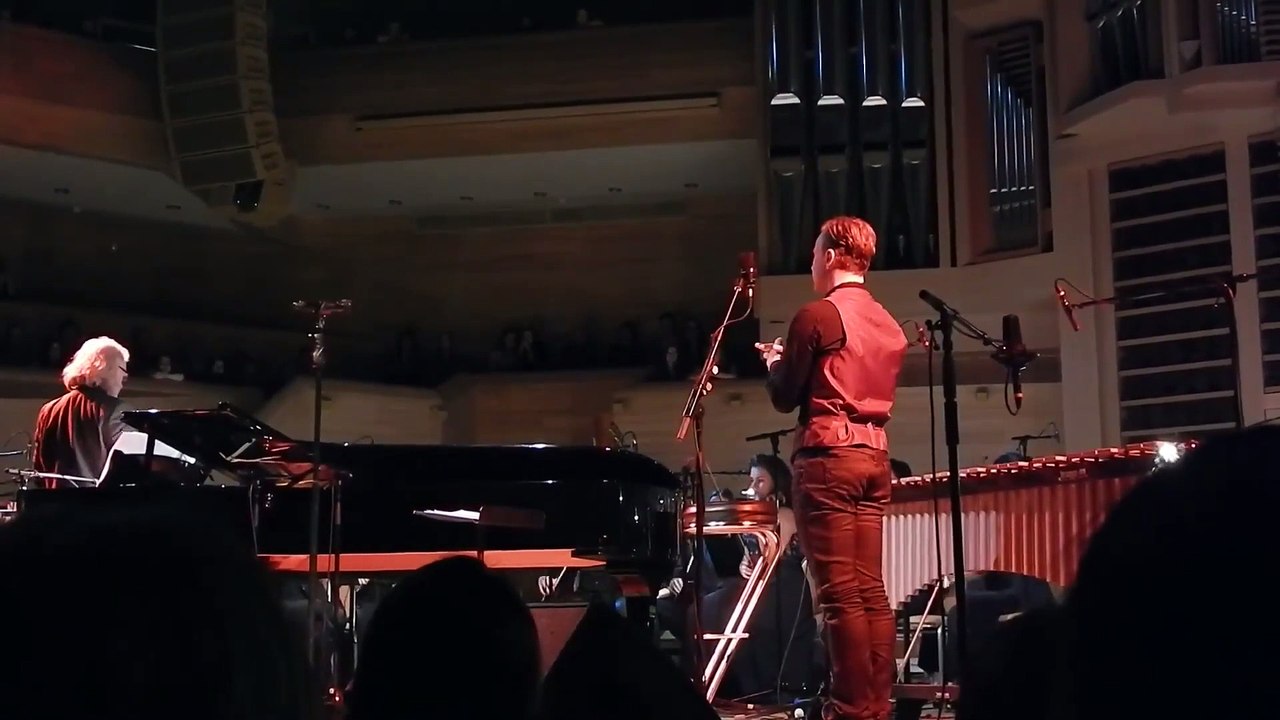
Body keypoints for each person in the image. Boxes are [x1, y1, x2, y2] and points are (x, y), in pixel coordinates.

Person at [755, 216, 908, 720]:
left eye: (815, 251)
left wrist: (776, 362)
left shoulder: (816, 315)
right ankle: (875, 707)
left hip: (829, 459)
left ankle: (849, 710)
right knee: (871, 590)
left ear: (830, 255)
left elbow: (784, 397)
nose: (811, 261)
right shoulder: (887, 321)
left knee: (841, 596)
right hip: (874, 458)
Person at [30, 336, 131, 485]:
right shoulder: (116, 409)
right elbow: (129, 467)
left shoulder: (49, 409)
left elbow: (39, 470)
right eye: (123, 372)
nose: (123, 381)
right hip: (94, 505)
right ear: (103, 367)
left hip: (52, 504)